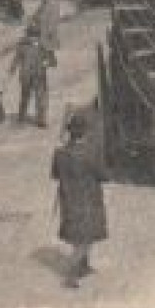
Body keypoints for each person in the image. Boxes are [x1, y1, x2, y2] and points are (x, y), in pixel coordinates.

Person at [51, 112, 108, 289]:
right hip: (89, 200)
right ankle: (70, 275)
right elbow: (103, 175)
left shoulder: (60, 153)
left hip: (68, 199)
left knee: (78, 236)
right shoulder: (92, 152)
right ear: (85, 132)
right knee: (86, 239)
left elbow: (54, 175)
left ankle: (84, 266)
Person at [14, 26, 55, 128]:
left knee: (41, 98)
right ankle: (21, 117)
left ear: (38, 36)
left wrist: (47, 63)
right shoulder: (22, 46)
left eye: (34, 36)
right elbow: (16, 59)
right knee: (25, 97)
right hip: (26, 76)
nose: (32, 39)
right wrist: (12, 70)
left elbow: (53, 61)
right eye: (30, 36)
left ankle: (41, 120)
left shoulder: (44, 46)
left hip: (39, 75)